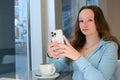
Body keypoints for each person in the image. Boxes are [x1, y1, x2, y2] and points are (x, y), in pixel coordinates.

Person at [47, 5, 120, 80]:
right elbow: (56, 68)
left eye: (89, 20)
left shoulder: (110, 47)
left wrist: (77, 57)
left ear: (99, 22)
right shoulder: (76, 45)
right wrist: (50, 56)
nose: (84, 24)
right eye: (81, 21)